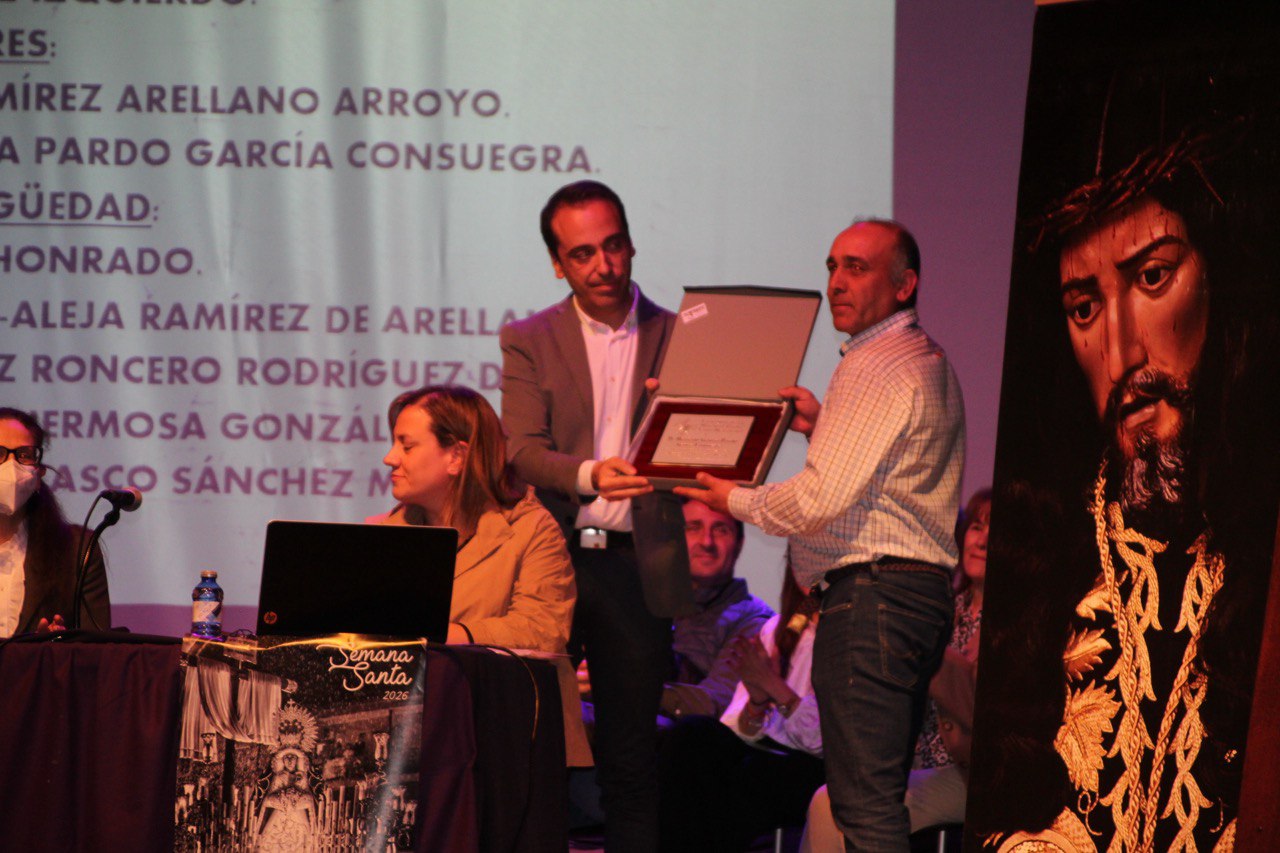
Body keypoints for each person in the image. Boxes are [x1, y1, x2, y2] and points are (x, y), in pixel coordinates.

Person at [975, 111, 1280, 850]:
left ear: (1220, 277)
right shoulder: (1041, 558)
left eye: (1151, 277)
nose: (1120, 353)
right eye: (1084, 308)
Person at [678, 219, 965, 851]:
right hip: (908, 598)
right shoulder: (922, 357)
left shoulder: (874, 364)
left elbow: (817, 501)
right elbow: (887, 480)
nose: (836, 281)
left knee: (864, 807)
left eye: (857, 267)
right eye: (833, 266)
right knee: (872, 799)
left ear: (904, 285)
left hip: (873, 600)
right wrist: (825, 425)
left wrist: (731, 497)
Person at [500, 180, 691, 851]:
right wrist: (589, 475)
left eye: (613, 246)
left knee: (631, 762)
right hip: (550, 561)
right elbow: (522, 449)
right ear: (558, 264)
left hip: (638, 567)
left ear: (631, 243)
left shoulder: (680, 334)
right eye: (582, 254)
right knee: (528, 754)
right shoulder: (529, 338)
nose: (603, 265)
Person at [375, 384, 588, 763]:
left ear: (457, 456)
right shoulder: (388, 532)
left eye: (407, 446)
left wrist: (446, 634)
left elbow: (544, 629)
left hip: (509, 740)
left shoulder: (531, 527)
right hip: (414, 742)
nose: (390, 458)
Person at [800, 489, 989, 852]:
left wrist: (912, 644)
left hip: (971, 775)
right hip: (912, 762)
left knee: (832, 804)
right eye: (976, 527)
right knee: (837, 794)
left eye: (994, 532)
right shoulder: (944, 605)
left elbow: (982, 712)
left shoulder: (1014, 625)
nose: (981, 541)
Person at [657, 569, 824, 852]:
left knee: (730, 784)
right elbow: (735, 727)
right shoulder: (778, 629)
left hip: (814, 766)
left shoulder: (849, 638)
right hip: (767, 753)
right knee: (692, 735)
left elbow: (824, 741)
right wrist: (757, 703)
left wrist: (773, 686)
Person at [0, 407, 110, 635]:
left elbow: (96, 648)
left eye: (24, 455)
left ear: (38, 473)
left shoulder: (76, 550)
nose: (11, 466)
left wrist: (49, 649)